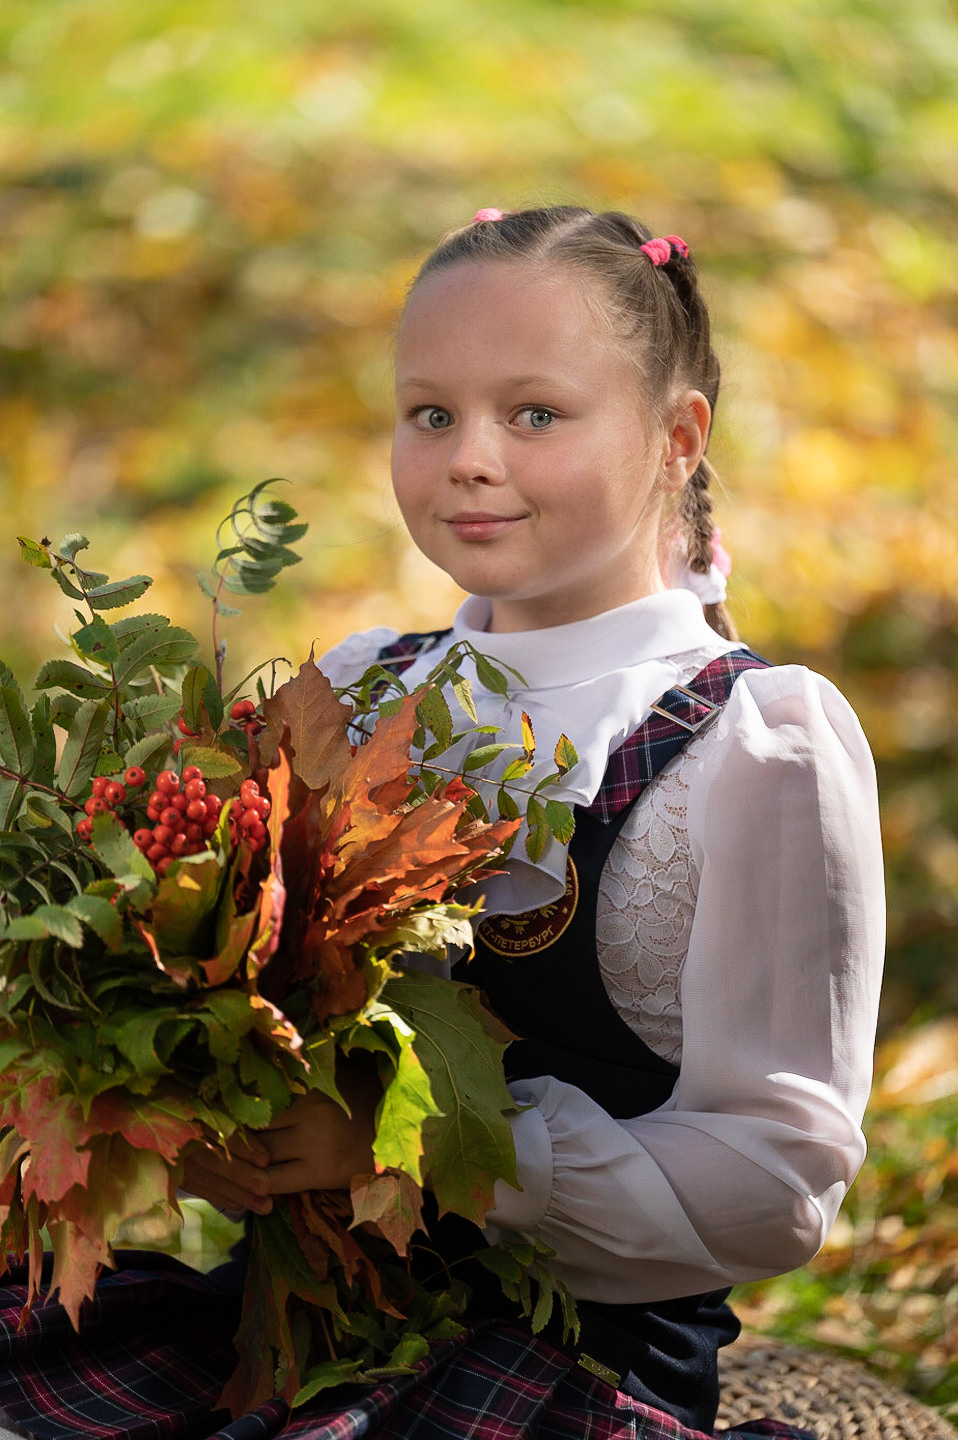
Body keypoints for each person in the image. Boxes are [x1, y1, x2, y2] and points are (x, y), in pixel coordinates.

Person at [0, 207, 885, 1440]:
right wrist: (207, 1118)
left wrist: (410, 1145)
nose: (469, 457)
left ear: (677, 438)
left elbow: (775, 1185)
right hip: (280, 1332)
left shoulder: (751, 743)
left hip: (553, 1370)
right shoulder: (359, 688)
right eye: (430, 415)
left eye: (535, 414)